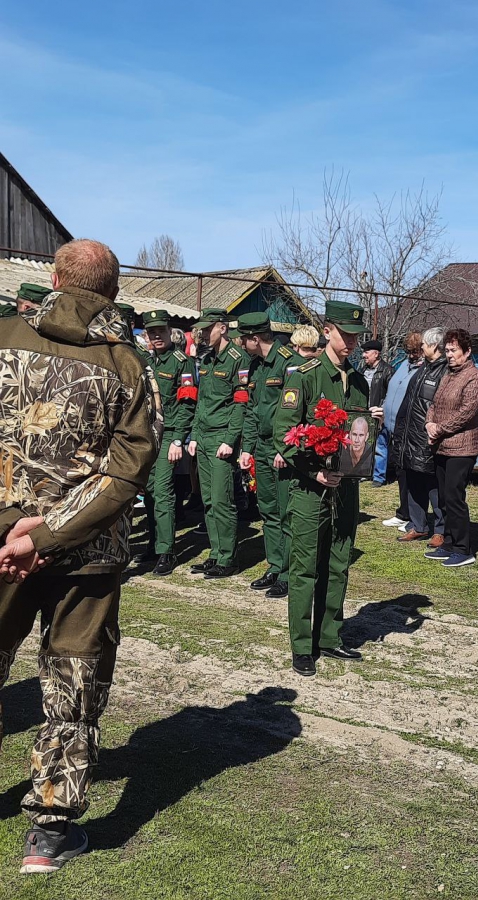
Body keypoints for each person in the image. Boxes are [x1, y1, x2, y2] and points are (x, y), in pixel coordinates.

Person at [0, 238, 160, 873]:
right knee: (72, 678)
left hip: (6, 543)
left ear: (57, 278)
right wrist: (50, 532)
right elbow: (126, 473)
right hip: (85, 553)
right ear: (113, 291)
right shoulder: (128, 363)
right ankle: (50, 826)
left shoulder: (5, 335)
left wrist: (22, 533)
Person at [273, 300, 383, 677]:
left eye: (355, 336)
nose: (350, 342)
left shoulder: (359, 381)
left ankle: (329, 636)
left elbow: (359, 436)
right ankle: (302, 646)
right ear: (326, 330)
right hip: (310, 489)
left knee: (338, 564)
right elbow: (283, 434)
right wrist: (312, 471)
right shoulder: (304, 376)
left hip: (345, 488)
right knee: (305, 568)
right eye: (344, 334)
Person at [239, 312, 304, 598]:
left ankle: (290, 573)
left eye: (242, 338)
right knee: (267, 510)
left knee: (285, 511)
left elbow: (297, 411)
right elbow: (253, 411)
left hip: (282, 450)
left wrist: (285, 448)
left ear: (255, 338)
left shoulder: (291, 363)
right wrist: (246, 448)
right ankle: (275, 566)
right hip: (262, 448)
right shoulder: (255, 367)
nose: (239, 343)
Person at [133, 310, 197, 575]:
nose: (156, 336)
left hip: (169, 432)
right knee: (148, 490)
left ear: (169, 331)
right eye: (151, 332)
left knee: (162, 490)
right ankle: (153, 543)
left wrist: (178, 439)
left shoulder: (181, 362)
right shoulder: (145, 360)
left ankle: (166, 551)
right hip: (147, 433)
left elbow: (187, 403)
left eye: (160, 330)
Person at [187, 309, 249, 578]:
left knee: (223, 500)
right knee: (209, 501)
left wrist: (230, 440)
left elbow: (240, 404)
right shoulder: (207, 359)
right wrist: (194, 435)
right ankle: (215, 553)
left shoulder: (238, 359)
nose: (202, 334)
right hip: (204, 436)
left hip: (222, 438)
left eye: (207, 328)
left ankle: (228, 557)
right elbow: (202, 402)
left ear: (222, 328)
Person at [424, 328, 478, 568]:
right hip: (442, 446)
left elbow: (466, 413)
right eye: (447, 350)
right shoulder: (448, 374)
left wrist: (439, 428)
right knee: (443, 498)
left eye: (453, 350)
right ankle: (448, 542)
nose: (449, 355)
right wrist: (430, 423)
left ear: (467, 351)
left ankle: (463, 547)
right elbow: (434, 403)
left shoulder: (474, 377)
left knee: (454, 496)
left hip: (462, 447)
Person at [391, 327, 445, 546]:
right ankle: (418, 525)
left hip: (426, 438)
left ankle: (441, 530)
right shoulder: (423, 369)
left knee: (433, 486)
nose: (421, 347)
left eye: (424, 344)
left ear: (433, 346)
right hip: (409, 437)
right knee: (413, 482)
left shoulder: (444, 371)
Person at [380, 332, 424, 521]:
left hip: (409, 429)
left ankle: (409, 514)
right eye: (409, 351)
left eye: (416, 351)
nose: (412, 355)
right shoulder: (404, 365)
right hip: (392, 427)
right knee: (400, 471)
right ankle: (403, 511)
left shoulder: (424, 369)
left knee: (408, 473)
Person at [361, 339, 393, 485]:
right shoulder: (363, 369)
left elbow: (391, 394)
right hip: (364, 413)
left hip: (379, 414)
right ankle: (364, 473)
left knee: (380, 445)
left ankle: (379, 477)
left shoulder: (387, 370)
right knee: (364, 444)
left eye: (366, 352)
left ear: (376, 353)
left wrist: (382, 410)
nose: (363, 355)